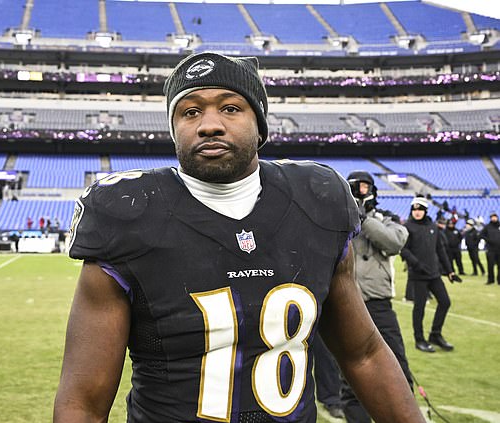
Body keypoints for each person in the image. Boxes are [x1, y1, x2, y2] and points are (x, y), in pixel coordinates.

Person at [54, 52, 424, 423]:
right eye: (190, 111)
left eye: (230, 108)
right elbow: (82, 402)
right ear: (174, 129)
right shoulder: (128, 213)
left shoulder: (318, 200)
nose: (209, 125)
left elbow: (363, 353)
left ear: (260, 124)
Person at [342, 171, 414, 421]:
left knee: (398, 366)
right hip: (348, 304)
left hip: (378, 302)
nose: (360, 191)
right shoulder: (339, 218)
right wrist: (350, 215)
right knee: (351, 375)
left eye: (364, 186)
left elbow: (394, 243)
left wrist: (366, 219)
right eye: (354, 187)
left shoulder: (387, 219)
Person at [401, 196, 457, 353]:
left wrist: (450, 271)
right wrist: (416, 264)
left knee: (445, 302)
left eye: (420, 209)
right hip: (418, 274)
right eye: (414, 209)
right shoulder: (407, 227)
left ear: (425, 211)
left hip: (434, 274)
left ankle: (435, 334)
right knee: (419, 308)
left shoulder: (433, 226)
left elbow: (440, 250)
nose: (417, 212)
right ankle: (419, 339)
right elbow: (404, 249)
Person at [480, 212, 500, 285]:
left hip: (499, 249)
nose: (494, 218)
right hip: (490, 249)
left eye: (495, 217)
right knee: (490, 265)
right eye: (492, 217)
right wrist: (488, 240)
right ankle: (490, 280)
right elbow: (481, 235)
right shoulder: (487, 227)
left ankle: (499, 280)